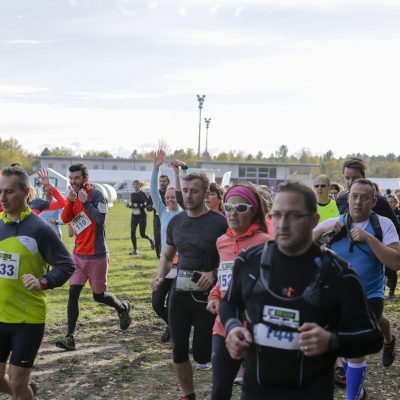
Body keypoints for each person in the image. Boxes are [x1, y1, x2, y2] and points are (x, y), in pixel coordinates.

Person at [220, 182, 383, 400]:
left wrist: (332, 341)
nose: (283, 224)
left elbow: (373, 338)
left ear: (314, 220)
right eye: (277, 215)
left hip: (311, 392)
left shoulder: (339, 274)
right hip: (256, 392)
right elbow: (229, 303)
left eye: (294, 216)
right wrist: (232, 327)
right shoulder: (249, 262)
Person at [314, 178, 400, 399]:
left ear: (373, 202)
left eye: (364, 198)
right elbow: (301, 247)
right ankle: (356, 387)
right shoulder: (334, 223)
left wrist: (369, 239)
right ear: (347, 197)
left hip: (369, 294)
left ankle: (353, 396)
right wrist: (319, 232)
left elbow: (395, 263)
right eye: (354, 196)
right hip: (336, 296)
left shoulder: (383, 225)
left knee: (355, 348)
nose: (358, 202)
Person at [0, 165, 75, 399]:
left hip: (27, 319)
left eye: (9, 192)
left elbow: (66, 264)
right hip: (0, 314)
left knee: (17, 383)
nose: (3, 197)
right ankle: (27, 391)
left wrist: (44, 280)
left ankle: (25, 390)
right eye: (1, 191)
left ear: (26, 192)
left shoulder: (39, 229)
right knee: (11, 384)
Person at [151, 172, 228, 400]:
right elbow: (167, 255)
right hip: (180, 294)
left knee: (203, 355)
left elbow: (229, 260)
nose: (188, 195)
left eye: (194, 191)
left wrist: (213, 274)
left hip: (206, 297)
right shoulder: (176, 222)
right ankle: (188, 395)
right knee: (178, 350)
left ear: (205, 193)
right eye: (185, 191)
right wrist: (159, 277)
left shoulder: (219, 223)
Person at [55, 164, 132, 351]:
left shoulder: (97, 195)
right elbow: (65, 219)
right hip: (78, 255)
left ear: (85, 179)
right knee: (73, 293)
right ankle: (70, 337)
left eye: (77, 178)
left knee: (99, 296)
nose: (73, 181)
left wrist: (86, 202)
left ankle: (122, 308)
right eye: (71, 178)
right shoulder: (72, 196)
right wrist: (70, 202)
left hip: (97, 255)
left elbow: (100, 219)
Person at [334, 158, 399, 370]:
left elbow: (394, 246)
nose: (350, 182)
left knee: (370, 320)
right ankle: (343, 367)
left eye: (354, 177)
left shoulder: (380, 210)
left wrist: (370, 238)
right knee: (361, 320)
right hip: (345, 283)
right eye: (347, 179)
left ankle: (386, 341)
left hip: (373, 278)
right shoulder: (341, 198)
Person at [207, 184, 270, 399]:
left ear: (253, 211)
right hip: (224, 324)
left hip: (257, 329)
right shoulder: (222, 241)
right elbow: (225, 277)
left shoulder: (267, 243)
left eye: (241, 208)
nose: (233, 213)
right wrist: (215, 295)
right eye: (228, 207)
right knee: (219, 391)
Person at [150, 150, 184, 343]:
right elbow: (154, 192)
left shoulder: (184, 214)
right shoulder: (162, 212)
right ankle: (171, 325)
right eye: (168, 197)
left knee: (173, 304)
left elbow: (184, 192)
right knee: (156, 303)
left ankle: (176, 330)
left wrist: (178, 173)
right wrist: (156, 169)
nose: (170, 199)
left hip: (181, 266)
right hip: (165, 265)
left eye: (173, 197)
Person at [126, 180, 154, 256]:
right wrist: (129, 206)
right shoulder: (132, 194)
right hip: (134, 216)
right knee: (132, 231)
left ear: (140, 185)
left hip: (142, 215)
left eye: (137, 184)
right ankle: (135, 250)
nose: (136, 186)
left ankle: (151, 240)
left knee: (142, 234)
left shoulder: (143, 194)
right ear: (133, 186)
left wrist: (141, 205)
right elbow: (133, 206)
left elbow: (147, 204)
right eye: (134, 184)